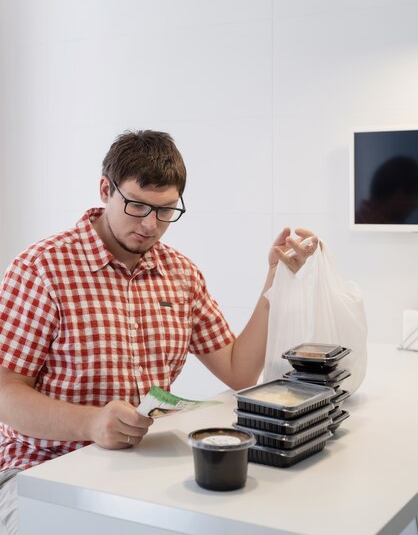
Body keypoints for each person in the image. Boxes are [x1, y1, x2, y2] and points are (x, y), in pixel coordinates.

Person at [0, 130, 317, 533]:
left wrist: (276, 280)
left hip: (136, 468)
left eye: (166, 211)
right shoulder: (41, 268)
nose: (150, 225)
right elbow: (5, 393)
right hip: (38, 471)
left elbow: (239, 372)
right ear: (105, 189)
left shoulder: (180, 274)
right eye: (137, 206)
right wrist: (91, 423)